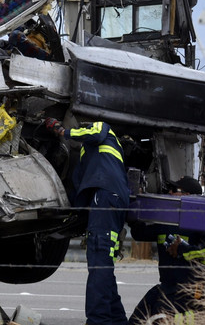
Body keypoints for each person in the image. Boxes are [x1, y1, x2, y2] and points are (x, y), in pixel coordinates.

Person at [50, 116, 130, 325]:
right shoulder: (90, 156)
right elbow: (79, 186)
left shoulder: (103, 128)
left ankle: (98, 320)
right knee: (103, 262)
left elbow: (95, 132)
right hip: (110, 199)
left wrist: (62, 131)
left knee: (98, 260)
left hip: (105, 195)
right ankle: (117, 320)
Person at [128, 177, 205, 325]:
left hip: (190, 291)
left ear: (189, 196)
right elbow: (139, 233)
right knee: (135, 320)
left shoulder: (203, 218)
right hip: (166, 287)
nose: (169, 193)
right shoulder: (166, 220)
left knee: (163, 320)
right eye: (169, 190)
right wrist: (134, 208)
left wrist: (183, 250)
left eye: (175, 190)